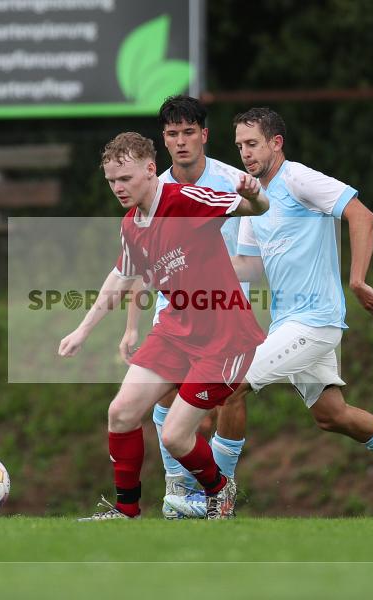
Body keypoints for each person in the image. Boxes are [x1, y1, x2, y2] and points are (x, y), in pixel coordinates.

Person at [192, 108, 373, 518]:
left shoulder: (298, 179)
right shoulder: (253, 199)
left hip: (315, 321)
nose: (245, 153)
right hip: (289, 324)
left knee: (229, 385)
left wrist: (357, 280)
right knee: (332, 416)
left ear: (276, 143)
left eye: (253, 144)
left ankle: (217, 497)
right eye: (240, 145)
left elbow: (361, 214)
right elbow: (249, 267)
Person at [58, 132, 268, 520]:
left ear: (151, 170)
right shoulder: (131, 225)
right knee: (121, 412)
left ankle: (220, 491)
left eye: (126, 178)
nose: (118, 188)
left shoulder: (184, 201)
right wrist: (82, 330)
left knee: (174, 435)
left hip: (225, 338)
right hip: (176, 331)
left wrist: (254, 195)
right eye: (112, 181)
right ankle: (126, 510)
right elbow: (121, 277)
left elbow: (255, 208)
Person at [118, 95, 250, 519]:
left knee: (225, 403)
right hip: (173, 314)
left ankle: (219, 490)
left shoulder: (232, 181)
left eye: (188, 132)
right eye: (172, 134)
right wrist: (131, 327)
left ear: (204, 135)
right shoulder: (151, 189)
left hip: (226, 312)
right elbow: (138, 266)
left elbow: (262, 236)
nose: (180, 141)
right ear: (163, 141)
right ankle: (179, 492)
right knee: (162, 405)